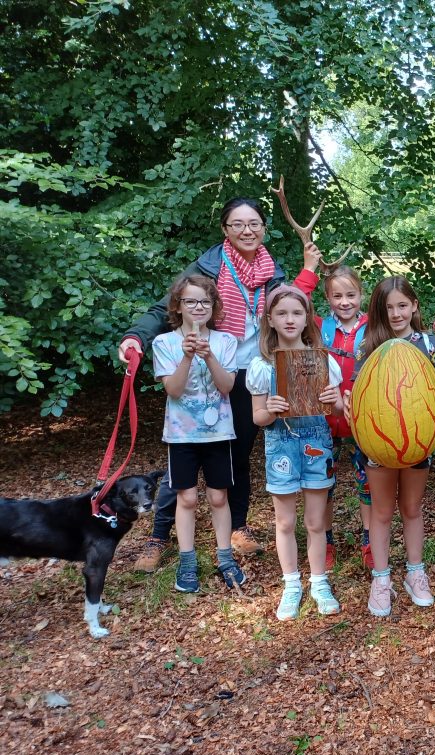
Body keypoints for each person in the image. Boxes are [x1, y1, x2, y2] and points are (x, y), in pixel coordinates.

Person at [120, 198, 320, 571]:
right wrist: (137, 337)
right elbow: (165, 307)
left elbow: (292, 305)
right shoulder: (208, 267)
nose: (247, 230)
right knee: (185, 457)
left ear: (263, 228)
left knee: (236, 455)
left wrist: (308, 270)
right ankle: (158, 537)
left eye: (255, 223)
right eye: (238, 224)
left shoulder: (269, 271)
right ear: (225, 229)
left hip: (252, 373)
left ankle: (238, 529)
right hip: (209, 371)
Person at [345, 276, 435, 618]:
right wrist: (352, 411)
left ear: (414, 306)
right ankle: (381, 579)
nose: (396, 313)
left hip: (418, 443)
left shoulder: (427, 345)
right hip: (378, 443)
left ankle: (415, 572)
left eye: (402, 305)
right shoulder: (369, 345)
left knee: (411, 507)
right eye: (389, 307)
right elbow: (358, 394)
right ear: (380, 310)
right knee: (380, 511)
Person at [247, 285, 342, 621]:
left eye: (297, 313)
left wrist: (335, 399)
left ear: (307, 320)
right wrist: (270, 409)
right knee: (284, 521)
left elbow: (339, 410)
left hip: (317, 445)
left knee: (316, 521)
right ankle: (291, 584)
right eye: (282, 313)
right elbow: (258, 418)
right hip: (281, 448)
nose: (290, 319)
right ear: (270, 320)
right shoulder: (261, 365)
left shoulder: (323, 361)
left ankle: (319, 582)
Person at [152, 275, 245, 592]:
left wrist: (208, 355)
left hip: (218, 434)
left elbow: (227, 386)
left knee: (219, 496)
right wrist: (188, 356)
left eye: (205, 301)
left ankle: (225, 557)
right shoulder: (164, 343)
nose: (198, 307)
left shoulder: (225, 342)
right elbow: (174, 390)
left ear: (214, 306)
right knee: (187, 498)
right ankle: (187, 560)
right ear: (178, 306)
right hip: (181, 436)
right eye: (190, 301)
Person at [309, 260, 372, 571]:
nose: (345, 302)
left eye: (351, 295)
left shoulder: (374, 326)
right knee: (324, 484)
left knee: (368, 484)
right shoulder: (319, 327)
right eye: (337, 296)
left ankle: (370, 539)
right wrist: (309, 267)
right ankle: (327, 540)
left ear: (361, 294)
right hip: (323, 421)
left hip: (363, 420)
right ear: (327, 298)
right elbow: (289, 299)